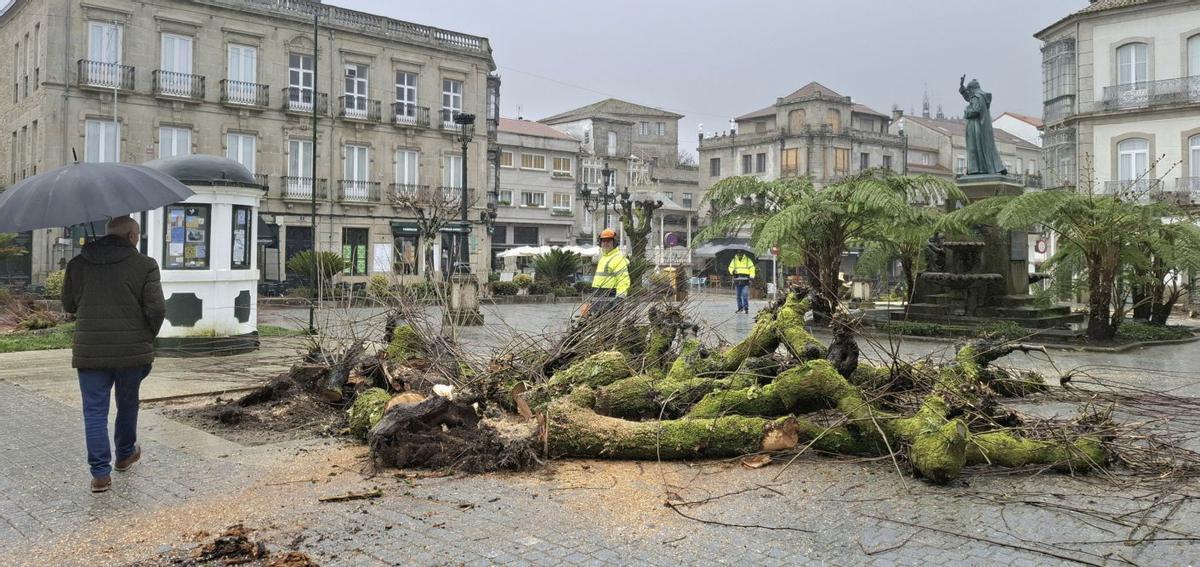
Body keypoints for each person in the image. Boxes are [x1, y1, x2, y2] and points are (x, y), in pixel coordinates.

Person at [62, 216, 165, 493]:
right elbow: (156, 308)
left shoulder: (77, 264)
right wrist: (146, 336)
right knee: (128, 403)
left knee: (94, 411)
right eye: (138, 235)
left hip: (90, 350)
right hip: (132, 352)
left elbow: (68, 304)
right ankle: (124, 454)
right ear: (132, 236)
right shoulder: (145, 265)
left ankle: (99, 474)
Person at [589, 228, 629, 316]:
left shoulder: (617, 258)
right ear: (600, 243)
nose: (605, 243)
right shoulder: (604, 258)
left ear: (614, 243)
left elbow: (623, 280)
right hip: (599, 300)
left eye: (608, 241)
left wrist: (620, 299)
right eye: (603, 241)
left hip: (610, 301)